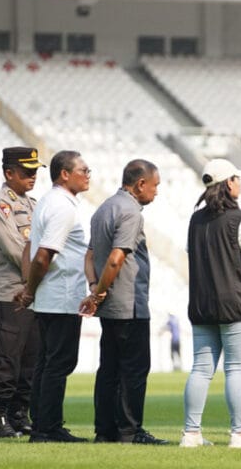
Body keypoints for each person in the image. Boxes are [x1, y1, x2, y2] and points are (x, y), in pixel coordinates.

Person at [78, 159, 167, 445]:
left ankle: (105, 431)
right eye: (155, 186)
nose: (156, 192)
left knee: (109, 370)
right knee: (134, 369)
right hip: (129, 303)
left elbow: (90, 255)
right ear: (140, 184)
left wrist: (94, 289)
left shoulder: (103, 209)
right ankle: (130, 431)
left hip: (110, 307)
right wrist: (101, 291)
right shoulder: (131, 212)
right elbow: (117, 258)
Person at [181, 158, 241, 449]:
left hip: (201, 304)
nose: (239, 183)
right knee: (236, 369)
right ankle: (239, 435)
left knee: (201, 369)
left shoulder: (195, 220)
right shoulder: (240, 218)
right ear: (228, 182)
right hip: (234, 304)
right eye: (237, 179)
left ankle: (191, 434)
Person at [15, 150, 90, 443]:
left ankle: (43, 424)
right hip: (62, 295)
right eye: (84, 170)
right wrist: (30, 289)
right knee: (59, 364)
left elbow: (30, 247)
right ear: (64, 174)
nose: (88, 175)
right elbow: (44, 255)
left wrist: (28, 286)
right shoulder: (63, 207)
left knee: (47, 363)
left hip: (49, 296)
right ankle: (48, 428)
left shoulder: (47, 201)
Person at [0, 147, 44, 438]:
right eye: (26, 171)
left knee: (29, 360)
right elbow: (16, 249)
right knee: (5, 358)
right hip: (8, 293)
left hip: (32, 292)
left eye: (35, 171)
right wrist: (46, 269)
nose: (33, 176)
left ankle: (19, 415)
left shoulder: (33, 204)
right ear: (9, 173)